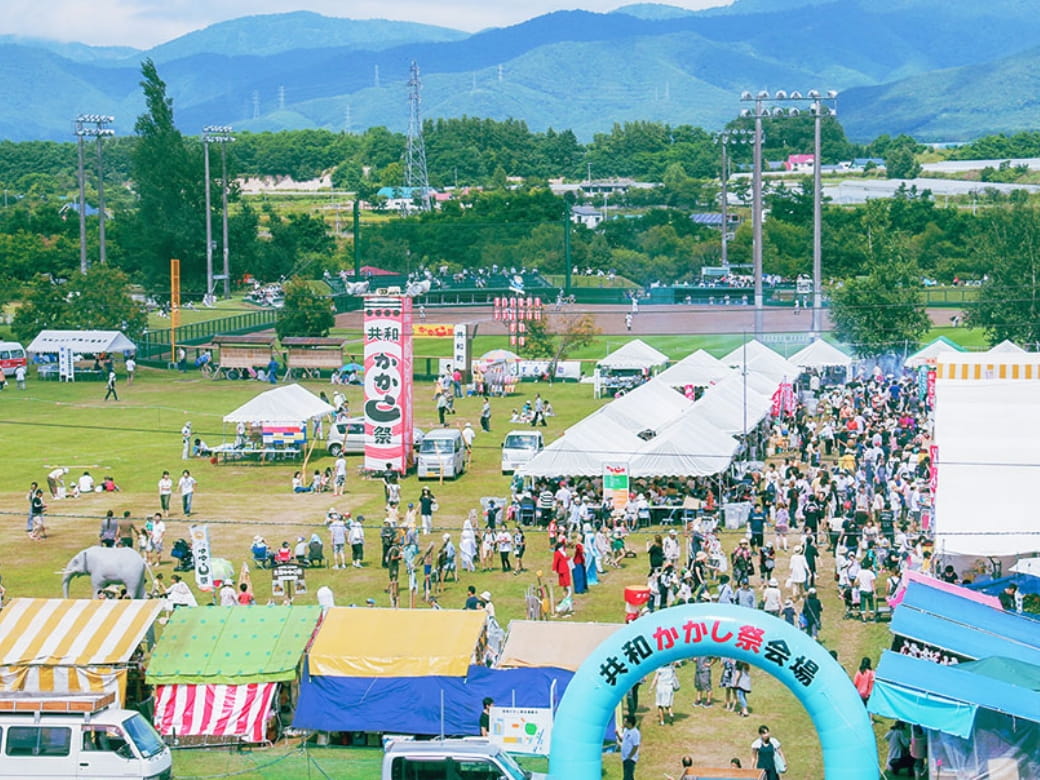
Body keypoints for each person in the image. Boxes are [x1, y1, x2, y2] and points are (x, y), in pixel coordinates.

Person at [619, 714, 640, 780]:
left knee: (627, 777)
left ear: (630, 723)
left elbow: (635, 746)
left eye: (625, 721)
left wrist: (630, 756)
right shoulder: (626, 730)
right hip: (624, 758)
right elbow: (622, 740)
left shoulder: (635, 733)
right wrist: (617, 734)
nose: (624, 723)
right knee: (629, 777)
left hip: (630, 759)